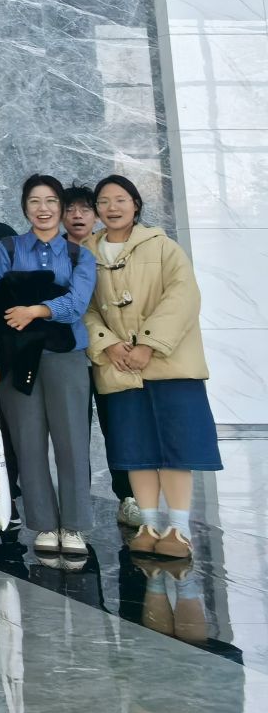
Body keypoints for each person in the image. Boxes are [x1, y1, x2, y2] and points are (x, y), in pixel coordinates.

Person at [85, 174, 220, 561]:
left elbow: (183, 296)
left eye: (120, 199)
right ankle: (147, 524)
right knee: (135, 449)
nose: (112, 207)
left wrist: (148, 344)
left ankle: (178, 528)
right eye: (104, 201)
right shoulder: (85, 253)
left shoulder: (163, 247)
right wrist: (107, 344)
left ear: (136, 205)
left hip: (168, 364)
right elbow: (84, 308)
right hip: (118, 367)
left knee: (176, 447)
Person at [0, 174, 96, 560]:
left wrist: (35, 309)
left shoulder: (80, 255)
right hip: (18, 358)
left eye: (51, 201)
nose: (43, 208)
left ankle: (74, 525)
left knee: (72, 442)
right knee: (28, 442)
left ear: (61, 208)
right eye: (35, 201)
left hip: (66, 357)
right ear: (24, 207)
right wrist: (46, 300)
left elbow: (77, 304)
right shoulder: (6, 248)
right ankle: (45, 524)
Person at [63, 183, 137, 524]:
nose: (77, 216)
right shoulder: (53, 252)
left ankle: (128, 496)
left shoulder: (110, 251)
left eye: (85, 209)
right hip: (70, 355)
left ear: (96, 215)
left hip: (111, 355)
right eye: (70, 209)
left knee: (119, 426)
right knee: (74, 432)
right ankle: (78, 502)